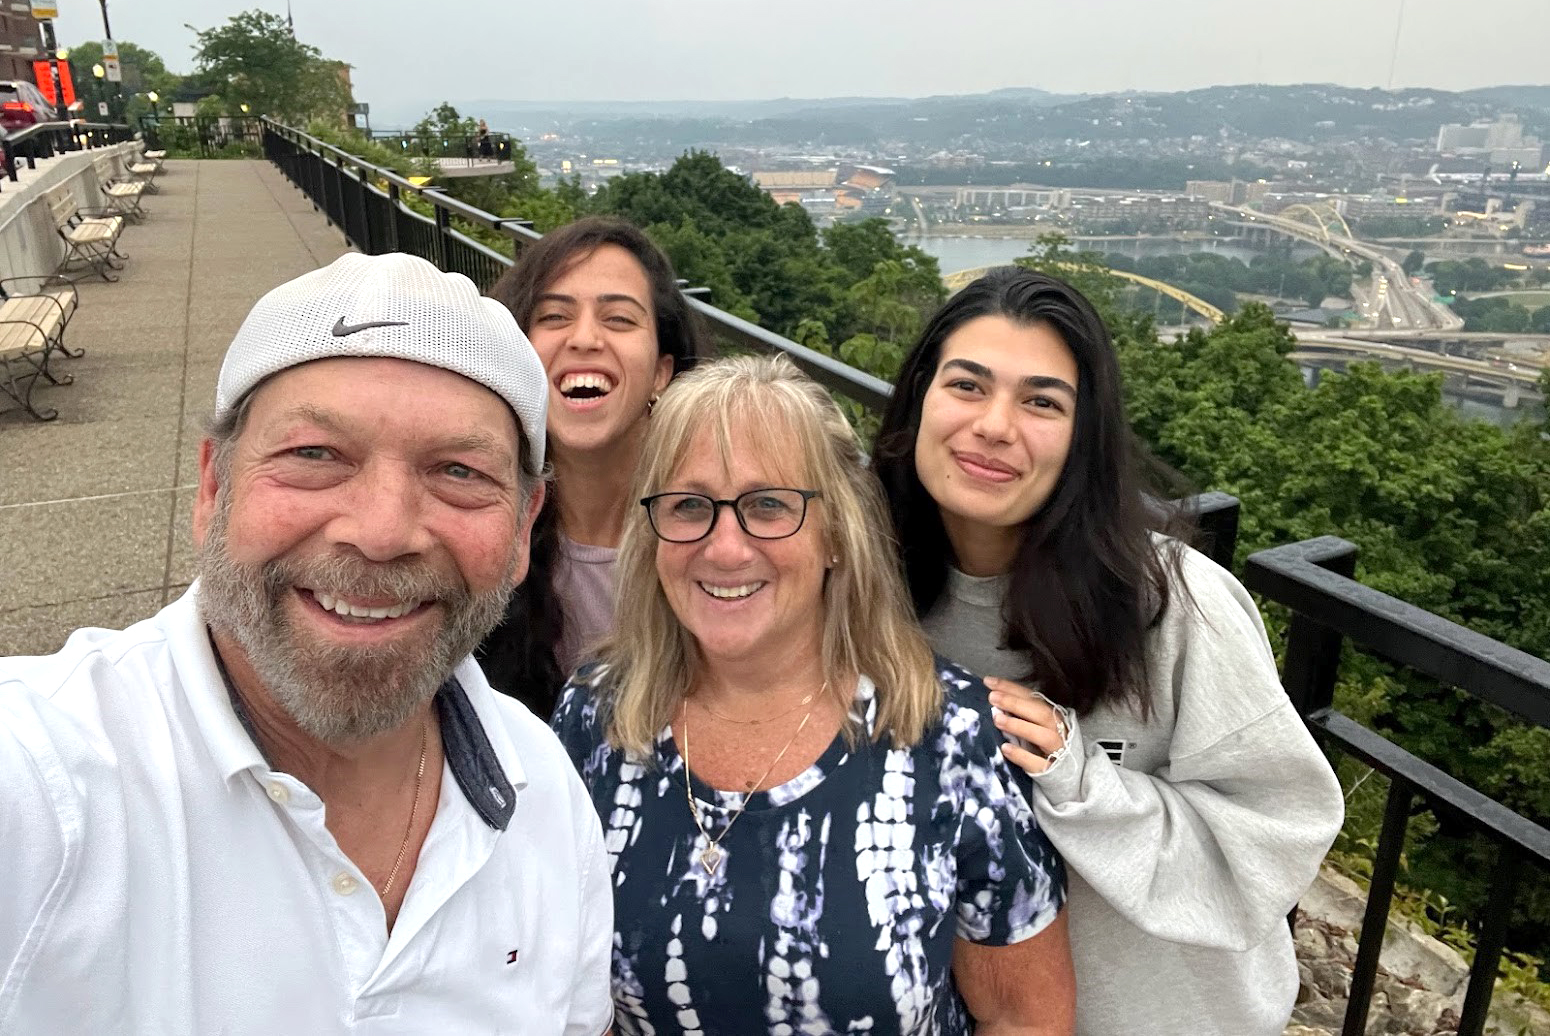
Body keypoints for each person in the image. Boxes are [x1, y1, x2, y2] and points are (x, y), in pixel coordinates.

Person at [0, 253, 613, 1035]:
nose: (383, 531)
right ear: (214, 487)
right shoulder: (44, 784)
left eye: (458, 470)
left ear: (525, 528)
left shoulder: (547, 798)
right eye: (315, 455)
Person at [871, 265, 1345, 1036]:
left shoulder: (1175, 604)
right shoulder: (865, 586)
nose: (994, 424)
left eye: (1041, 402)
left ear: (1084, 435)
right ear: (920, 395)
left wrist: (1079, 779)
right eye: (967, 385)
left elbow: (1279, 836)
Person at [551, 353, 1076, 1036]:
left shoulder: (954, 739)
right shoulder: (595, 717)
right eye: (689, 505)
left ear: (834, 533)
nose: (726, 546)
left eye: (769, 504)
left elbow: (1024, 1016)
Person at [479, 216, 708, 716]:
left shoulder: (716, 535)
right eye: (555, 317)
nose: (585, 338)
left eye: (620, 320)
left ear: (661, 374)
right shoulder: (480, 530)